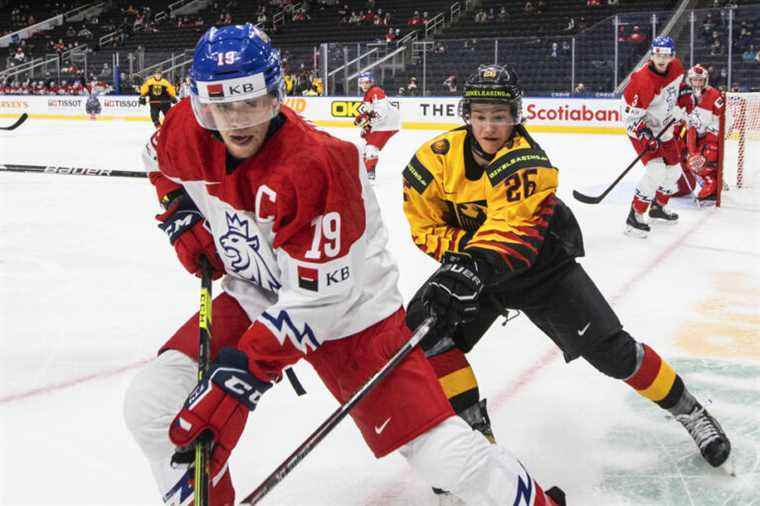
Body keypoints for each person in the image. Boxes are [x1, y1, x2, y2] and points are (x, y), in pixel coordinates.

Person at [123, 24, 566, 506]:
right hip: (255, 291)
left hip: (352, 312)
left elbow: (321, 299)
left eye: (252, 102)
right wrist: (180, 213)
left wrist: (241, 379)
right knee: (151, 406)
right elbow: (155, 159)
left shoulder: (317, 164)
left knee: (443, 457)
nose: (238, 121)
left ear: (277, 97)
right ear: (199, 106)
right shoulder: (187, 130)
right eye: (221, 107)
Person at [401, 64, 732, 494]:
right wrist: (459, 259)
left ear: (515, 116)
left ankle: (689, 410)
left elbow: (512, 236)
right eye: (480, 115)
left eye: (499, 116)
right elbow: (423, 224)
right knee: (422, 335)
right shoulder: (433, 160)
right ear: (467, 114)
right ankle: (478, 446)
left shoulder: (528, 163)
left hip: (541, 268)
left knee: (615, 354)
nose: (489, 126)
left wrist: (469, 263)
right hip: (477, 272)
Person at [622, 36, 694, 238]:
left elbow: (680, 87)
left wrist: (685, 97)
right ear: (651, 54)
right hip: (642, 127)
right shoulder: (642, 81)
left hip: (665, 124)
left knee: (674, 171)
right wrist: (645, 134)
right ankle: (634, 217)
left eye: (666, 55)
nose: (662, 59)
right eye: (657, 54)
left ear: (672, 56)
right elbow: (630, 119)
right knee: (655, 170)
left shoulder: (677, 66)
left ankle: (658, 207)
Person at [684, 64, 723, 202]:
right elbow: (690, 126)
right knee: (691, 159)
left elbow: (720, 119)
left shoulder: (714, 94)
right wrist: (692, 150)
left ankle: (713, 181)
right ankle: (709, 180)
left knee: (709, 155)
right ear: (690, 80)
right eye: (695, 79)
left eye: (700, 80)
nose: (698, 83)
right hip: (695, 136)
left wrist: (711, 140)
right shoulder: (685, 97)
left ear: (705, 80)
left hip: (711, 137)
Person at [353, 72, 400, 181]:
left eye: (367, 82)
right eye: (361, 83)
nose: (364, 85)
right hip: (383, 122)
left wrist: (367, 122)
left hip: (387, 123)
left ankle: (370, 172)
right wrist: (364, 118)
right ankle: (365, 169)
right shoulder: (369, 93)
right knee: (365, 144)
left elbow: (381, 113)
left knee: (371, 147)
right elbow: (373, 112)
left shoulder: (375, 91)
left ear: (371, 82)